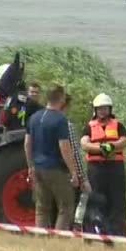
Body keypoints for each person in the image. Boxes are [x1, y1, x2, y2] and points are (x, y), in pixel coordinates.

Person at [25, 85, 84, 230]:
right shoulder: (60, 119)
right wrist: (73, 172)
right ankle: (59, 239)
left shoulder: (34, 117)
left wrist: (30, 165)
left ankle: (41, 238)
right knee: (65, 206)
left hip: (38, 167)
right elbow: (64, 147)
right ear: (61, 98)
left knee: (42, 208)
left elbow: (27, 143)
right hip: (56, 168)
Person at [80, 93, 126, 236]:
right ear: (95, 110)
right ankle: (96, 231)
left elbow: (124, 141)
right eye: (100, 109)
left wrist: (112, 147)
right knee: (96, 200)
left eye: (105, 108)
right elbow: (84, 144)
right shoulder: (89, 126)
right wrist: (101, 148)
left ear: (110, 109)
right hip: (96, 169)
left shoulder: (118, 125)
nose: (103, 111)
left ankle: (118, 232)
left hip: (115, 169)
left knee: (118, 200)